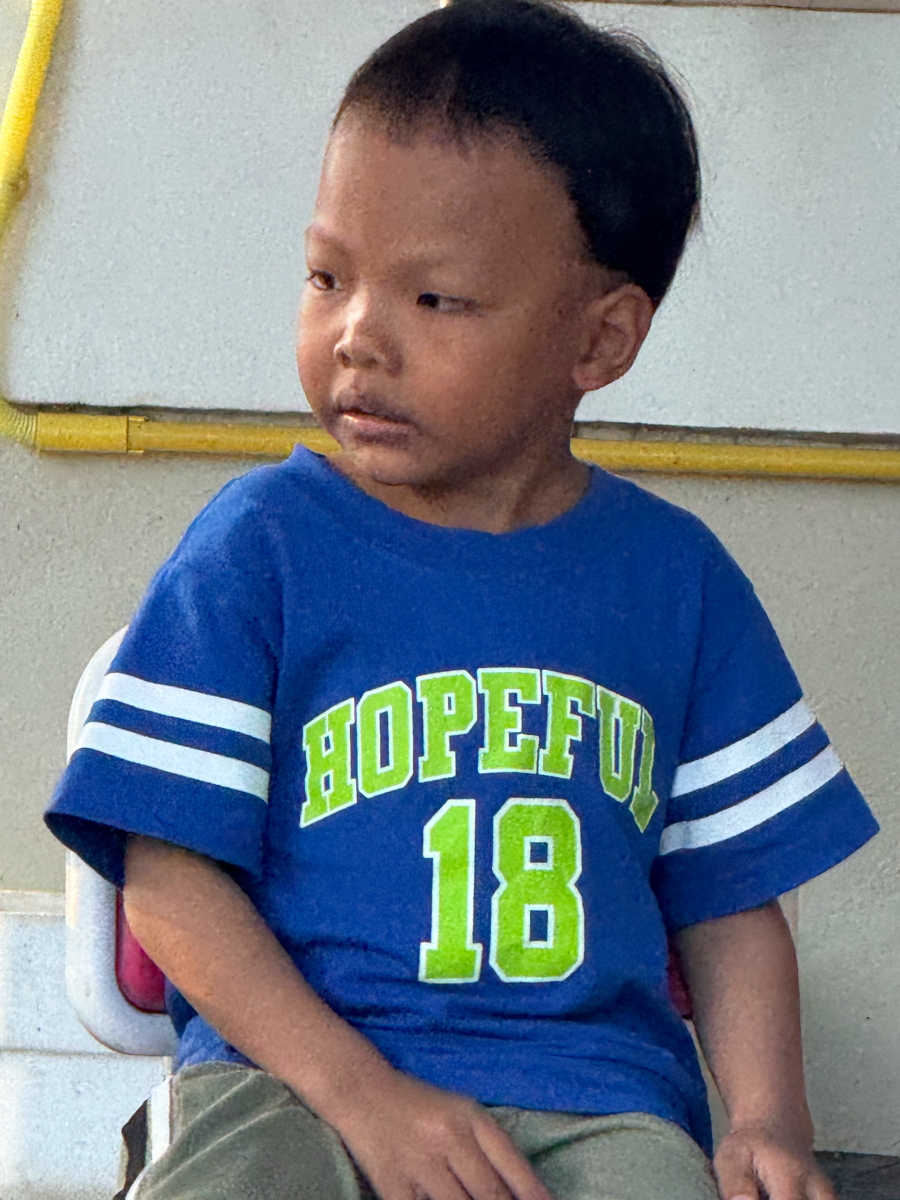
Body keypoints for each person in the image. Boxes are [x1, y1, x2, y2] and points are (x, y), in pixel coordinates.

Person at [45, 3, 879, 1199]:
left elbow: (734, 903)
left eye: (434, 300)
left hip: (595, 1100)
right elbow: (167, 880)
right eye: (327, 276)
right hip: (287, 1082)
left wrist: (768, 1123)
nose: (357, 337)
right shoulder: (258, 548)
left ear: (601, 340)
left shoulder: (678, 583)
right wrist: (365, 1096)